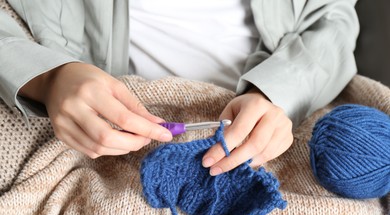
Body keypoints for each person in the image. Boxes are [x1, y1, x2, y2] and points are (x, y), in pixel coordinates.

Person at [0, 0, 359, 176]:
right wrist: (48, 78)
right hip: (115, 140)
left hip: (275, 116)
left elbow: (333, 18)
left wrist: (275, 93)